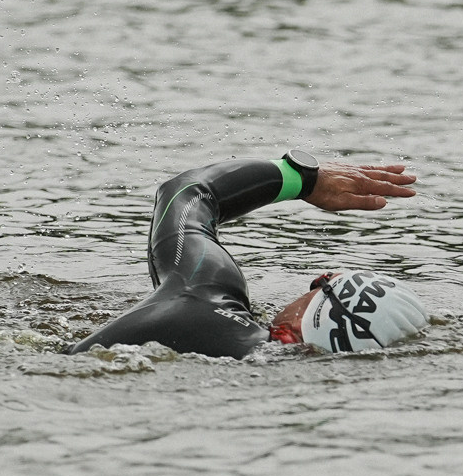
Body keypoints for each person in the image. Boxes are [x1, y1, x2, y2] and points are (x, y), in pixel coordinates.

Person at [69, 150, 432, 358]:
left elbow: (186, 193)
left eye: (320, 284)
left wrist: (301, 178)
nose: (306, 288)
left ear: (297, 329)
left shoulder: (201, 292)